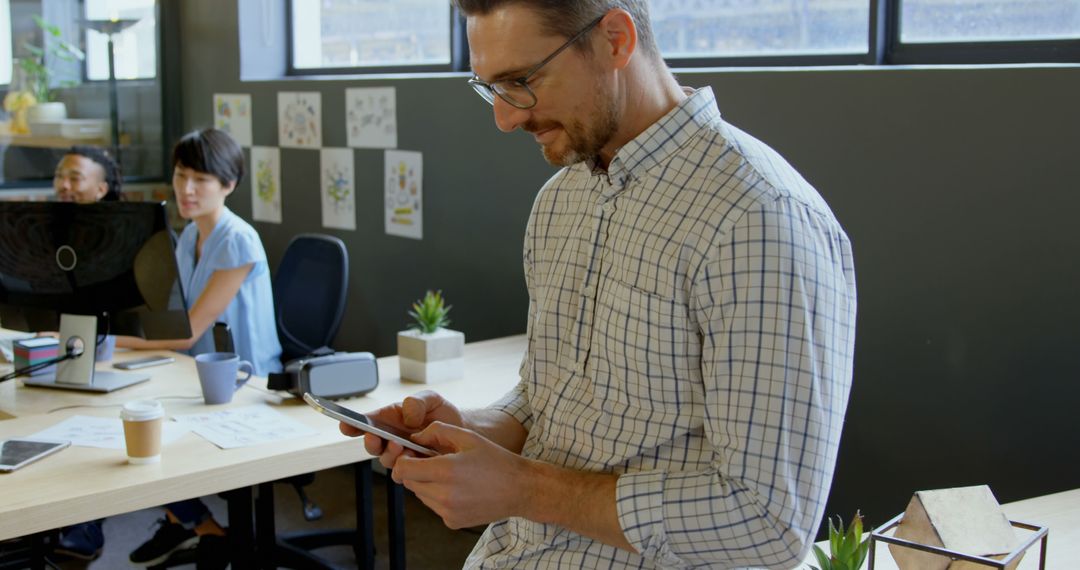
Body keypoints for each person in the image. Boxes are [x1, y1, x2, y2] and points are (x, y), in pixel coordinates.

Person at [345, 1, 858, 568]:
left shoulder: (757, 218)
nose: (505, 118)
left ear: (615, 40)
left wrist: (523, 487)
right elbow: (551, 403)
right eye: (491, 87)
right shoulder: (562, 201)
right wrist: (471, 428)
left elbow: (766, 522)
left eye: (522, 80)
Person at [118, 128, 283, 568]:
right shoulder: (190, 235)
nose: (186, 190)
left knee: (149, 434)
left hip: (246, 382)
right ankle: (194, 523)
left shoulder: (237, 239)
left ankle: (200, 526)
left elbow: (188, 330)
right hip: (196, 373)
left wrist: (112, 339)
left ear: (228, 184)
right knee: (131, 418)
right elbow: (170, 319)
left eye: (201, 180)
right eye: (180, 176)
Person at [48, 145, 121, 562]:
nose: (65, 185)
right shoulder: (46, 232)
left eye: (76, 177)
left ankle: (85, 521)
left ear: (102, 188)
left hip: (114, 353)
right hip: (59, 350)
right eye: (61, 176)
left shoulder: (118, 239)